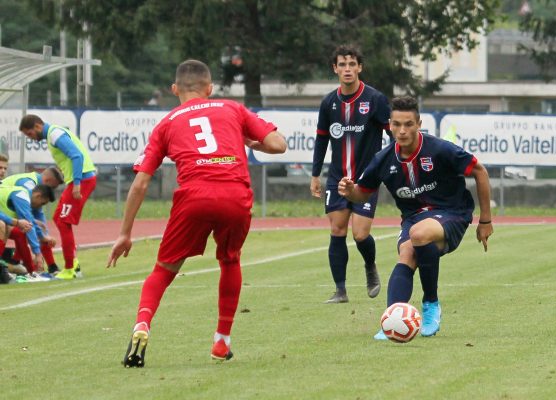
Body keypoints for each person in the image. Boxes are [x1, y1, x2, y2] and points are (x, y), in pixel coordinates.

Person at [107, 59, 287, 367]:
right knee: (230, 260)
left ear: (175, 89)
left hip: (194, 197)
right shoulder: (231, 109)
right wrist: (244, 139)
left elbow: (140, 184)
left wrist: (125, 233)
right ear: (210, 88)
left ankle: (142, 324)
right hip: (234, 193)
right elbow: (278, 145)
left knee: (163, 270)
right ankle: (222, 341)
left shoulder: (166, 123)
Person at [338, 96, 493, 338]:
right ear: (389, 125)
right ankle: (391, 319)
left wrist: (485, 220)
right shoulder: (383, 159)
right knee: (408, 252)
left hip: (452, 213)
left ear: (419, 123)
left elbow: (480, 171)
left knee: (418, 234)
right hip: (413, 218)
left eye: (408, 124)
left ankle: (431, 304)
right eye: (397, 124)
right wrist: (351, 191)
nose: (402, 131)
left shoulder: (440, 149)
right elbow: (362, 194)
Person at [311, 45, 391, 303]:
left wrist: (392, 163)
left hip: (366, 178)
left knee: (360, 234)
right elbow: (322, 139)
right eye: (342, 65)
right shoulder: (329, 103)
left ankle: (370, 266)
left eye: (352, 64)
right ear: (335, 69)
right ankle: (340, 290)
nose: (347, 69)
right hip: (337, 178)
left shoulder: (375, 99)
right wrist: (315, 175)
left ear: (360, 67)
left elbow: (392, 133)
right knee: (337, 230)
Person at [19, 115, 97, 280]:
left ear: (38, 126)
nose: (31, 138)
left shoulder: (54, 134)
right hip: (79, 179)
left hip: (82, 179)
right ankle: (73, 264)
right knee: (58, 217)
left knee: (63, 221)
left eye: (30, 134)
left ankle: (70, 268)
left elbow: (76, 156)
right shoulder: (53, 134)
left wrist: (76, 183)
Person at [1, 167, 64, 274]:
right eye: (53, 187)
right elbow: (27, 218)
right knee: (22, 230)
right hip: (6, 212)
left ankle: (47, 267)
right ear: (47, 181)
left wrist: (45, 236)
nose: (52, 190)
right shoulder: (27, 186)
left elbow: (36, 216)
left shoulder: (34, 192)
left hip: (5, 212)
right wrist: (37, 253)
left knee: (28, 228)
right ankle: (26, 269)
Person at [0, 184, 56, 281]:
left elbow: (29, 221)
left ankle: (26, 269)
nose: (40, 207)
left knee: (12, 229)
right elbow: (29, 224)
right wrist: (37, 254)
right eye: (42, 203)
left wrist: (40, 234)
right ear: (38, 196)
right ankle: (29, 271)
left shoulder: (21, 194)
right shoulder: (21, 196)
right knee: (3, 225)